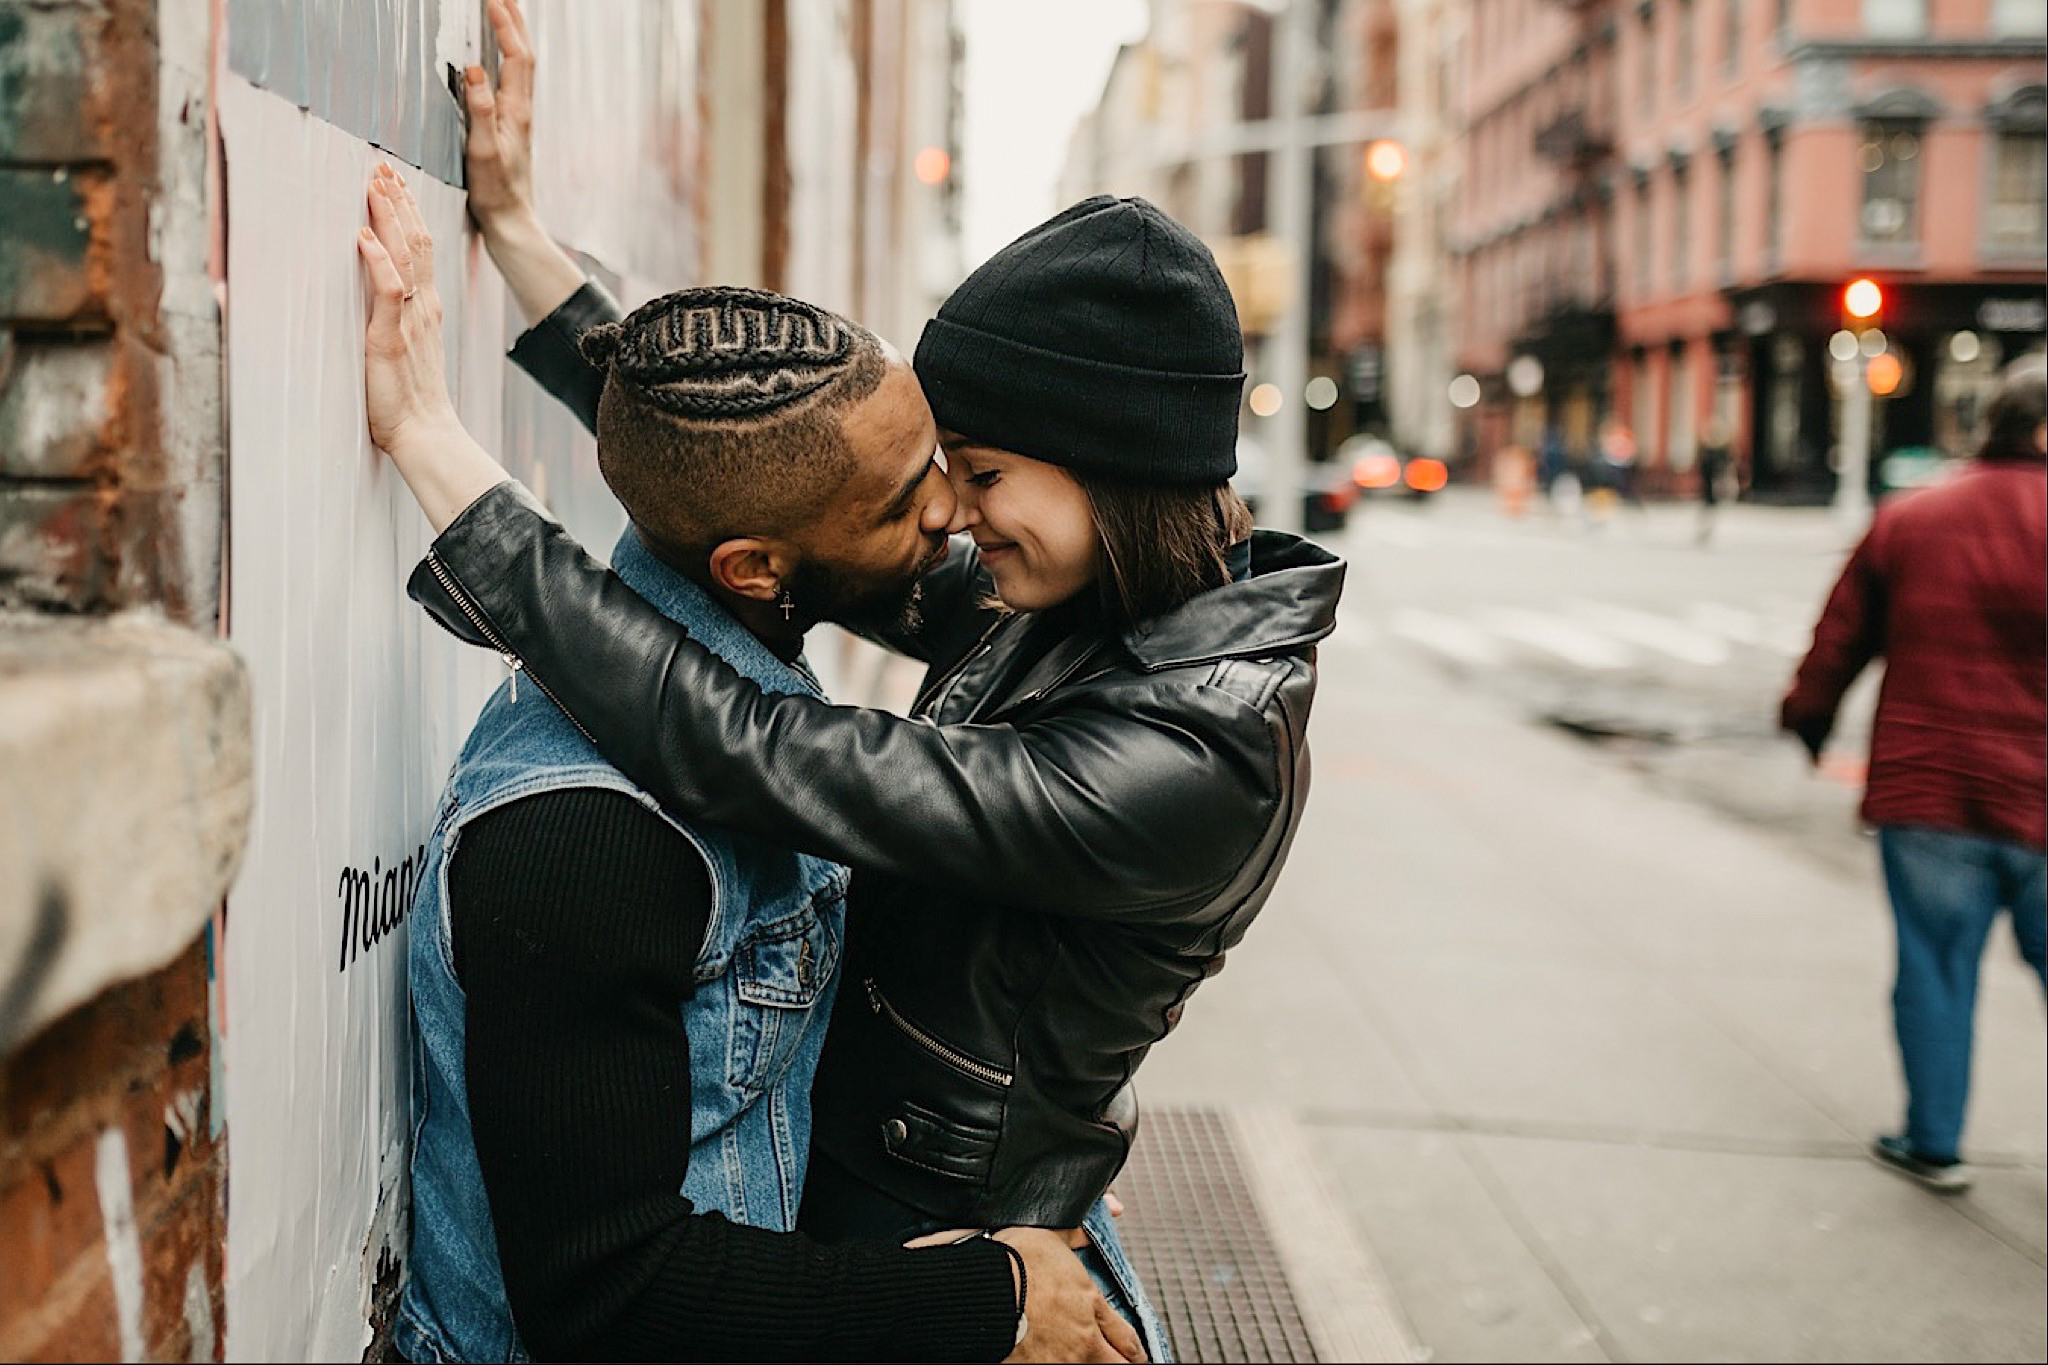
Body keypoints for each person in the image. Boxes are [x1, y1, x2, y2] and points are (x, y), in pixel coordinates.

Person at [360, 13, 1342, 1355]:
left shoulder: (1190, 757)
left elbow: (763, 743)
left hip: (952, 1238)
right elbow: (768, 483)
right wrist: (526, 248)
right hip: (890, 1240)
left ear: (1109, 471)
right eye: (942, 472)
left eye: (980, 472)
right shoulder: (1099, 600)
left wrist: (442, 462)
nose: (953, 516)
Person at [383, 216, 1131, 1365]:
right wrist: (988, 1306)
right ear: (755, 568)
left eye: (931, 461)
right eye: (897, 505)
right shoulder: (585, 835)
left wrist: (997, 1166)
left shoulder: (741, 639)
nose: (947, 511)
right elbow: (608, 1303)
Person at [1780, 352, 2047, 1194]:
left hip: (1932, 790)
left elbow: (1840, 635)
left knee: (1934, 965)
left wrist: (1808, 719)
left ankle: (1934, 1139)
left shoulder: (1914, 518)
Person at [1695, 419, 1733, 546]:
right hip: (1709, 486)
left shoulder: (1720, 453)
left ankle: (1707, 530)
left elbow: (1725, 468)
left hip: (1715, 485)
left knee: (1711, 508)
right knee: (1708, 508)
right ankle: (1705, 530)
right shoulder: (1708, 452)